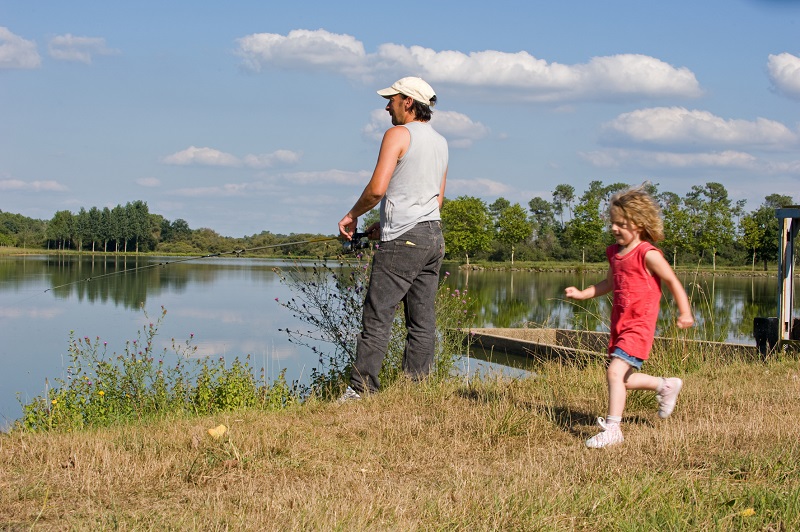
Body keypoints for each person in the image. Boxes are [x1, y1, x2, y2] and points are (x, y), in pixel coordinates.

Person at [337, 77, 448, 402]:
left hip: (404, 240)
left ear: (408, 102)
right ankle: (416, 391)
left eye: (392, 100)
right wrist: (383, 224)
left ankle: (361, 391)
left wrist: (352, 215)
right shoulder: (441, 142)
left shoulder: (398, 134)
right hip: (432, 236)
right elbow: (437, 200)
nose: (388, 106)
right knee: (422, 321)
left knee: (377, 315)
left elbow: (376, 190)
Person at [564, 185, 694, 448]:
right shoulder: (614, 253)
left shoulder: (648, 254)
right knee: (623, 379)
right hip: (619, 325)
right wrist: (583, 293)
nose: (614, 228)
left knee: (614, 372)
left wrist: (685, 312)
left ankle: (613, 429)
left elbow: (672, 281)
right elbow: (609, 283)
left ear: (639, 224)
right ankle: (665, 386)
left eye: (621, 224)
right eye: (613, 223)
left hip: (639, 325)